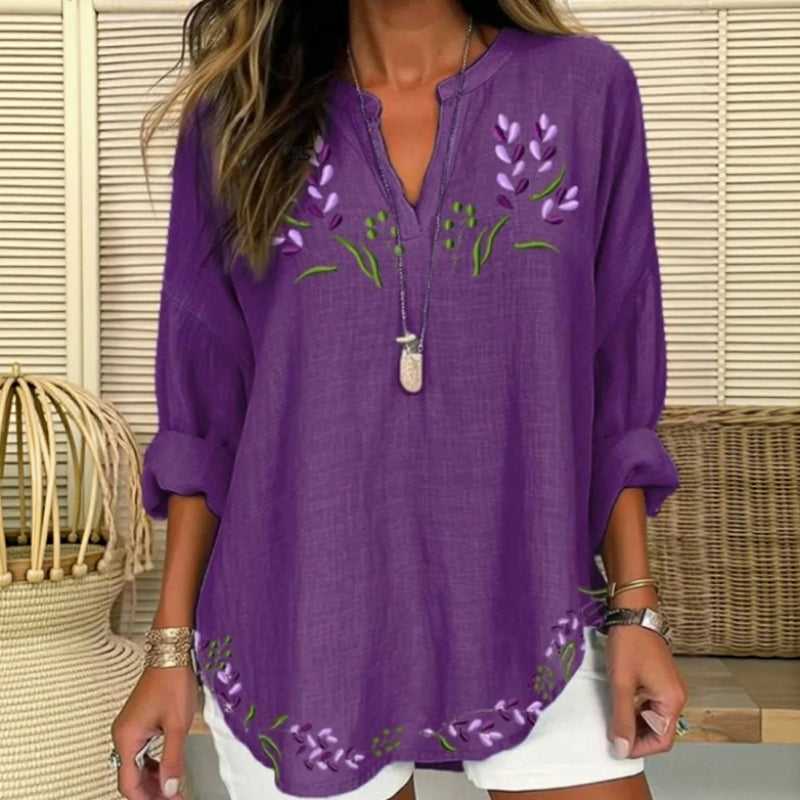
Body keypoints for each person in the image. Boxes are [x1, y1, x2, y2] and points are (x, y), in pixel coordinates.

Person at [110, 1, 689, 799]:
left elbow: (614, 375)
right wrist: (169, 651)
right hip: (304, 621)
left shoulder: (585, 91)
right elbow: (207, 416)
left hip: (537, 603)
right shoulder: (239, 118)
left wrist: (634, 611)